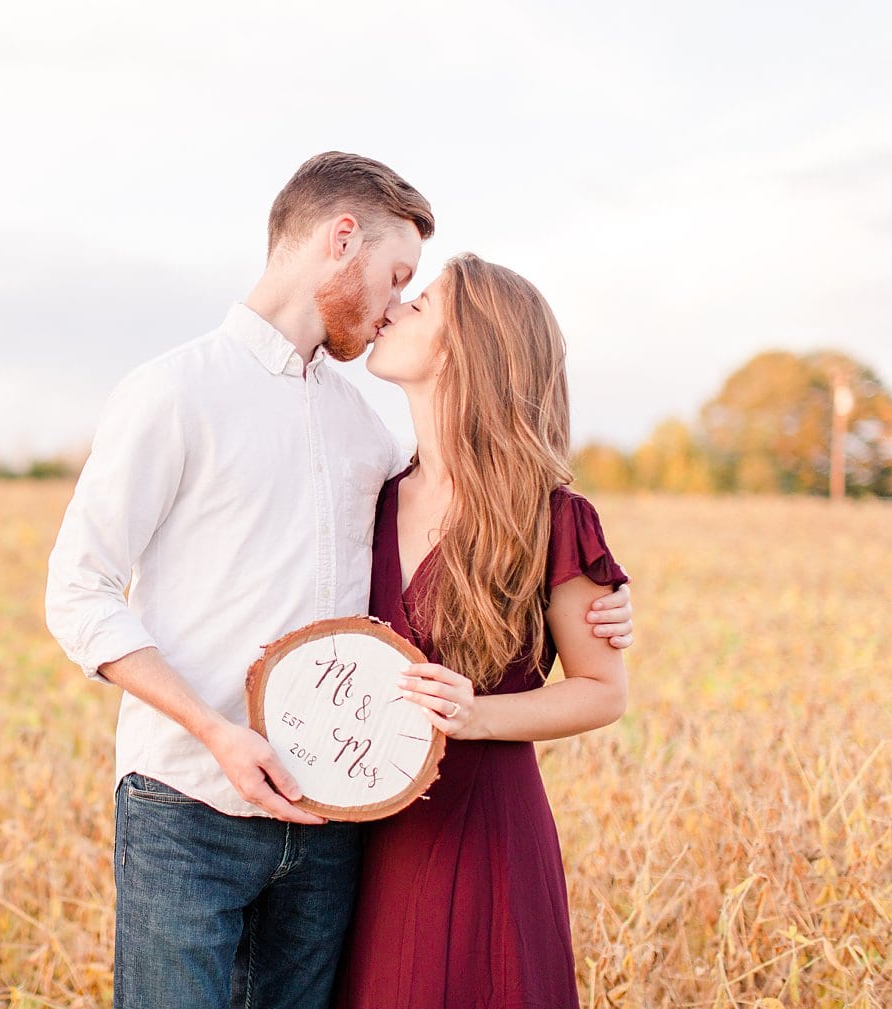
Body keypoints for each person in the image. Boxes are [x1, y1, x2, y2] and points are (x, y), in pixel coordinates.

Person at [44, 153, 635, 1009]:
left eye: (415, 293)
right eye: (397, 277)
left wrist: (598, 595)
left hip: (339, 825)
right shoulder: (174, 392)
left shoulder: (367, 438)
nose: (396, 302)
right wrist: (214, 731)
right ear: (341, 239)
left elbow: (497, 539)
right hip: (189, 803)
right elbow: (78, 591)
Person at [332, 253, 630, 1009]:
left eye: (421, 303)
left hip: (481, 837)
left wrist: (476, 714)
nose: (393, 307)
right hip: (354, 843)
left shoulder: (552, 515)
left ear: (473, 347)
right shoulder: (365, 497)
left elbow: (602, 691)